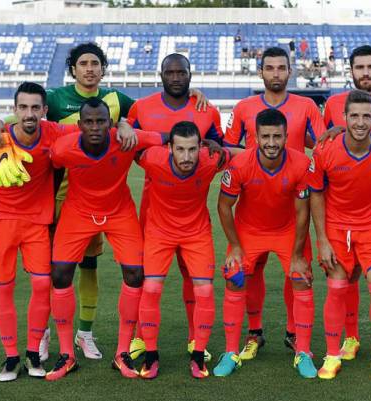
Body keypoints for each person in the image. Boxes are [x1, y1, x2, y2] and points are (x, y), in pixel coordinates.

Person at [0, 43, 208, 361]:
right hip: (57, 195)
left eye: (95, 63)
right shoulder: (55, 97)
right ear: (73, 69)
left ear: (103, 68)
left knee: (89, 266)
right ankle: (45, 334)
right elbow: (24, 116)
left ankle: (85, 334)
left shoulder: (116, 99)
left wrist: (133, 120)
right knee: (52, 271)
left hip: (103, 195)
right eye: (83, 63)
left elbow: (147, 109)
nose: (89, 68)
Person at [45, 98, 164, 381]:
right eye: (89, 122)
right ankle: (66, 354)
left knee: (136, 274)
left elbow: (166, 136)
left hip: (119, 211)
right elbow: (56, 166)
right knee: (60, 274)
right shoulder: (65, 147)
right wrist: (51, 208)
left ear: (111, 124)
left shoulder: (125, 140)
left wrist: (209, 142)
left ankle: (122, 352)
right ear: (80, 125)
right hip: (78, 211)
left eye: (101, 121)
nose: (95, 127)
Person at [0, 82, 78, 381]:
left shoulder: (54, 132)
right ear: (14, 110)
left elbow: (91, 126)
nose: (29, 113)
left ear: (44, 110)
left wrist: (121, 125)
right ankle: (10, 357)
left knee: (43, 285)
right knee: (4, 287)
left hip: (37, 224)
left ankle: (33, 354)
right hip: (0, 222)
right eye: (23, 107)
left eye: (35, 108)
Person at [224, 47, 325, 358]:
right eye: (270, 68)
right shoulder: (243, 108)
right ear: (261, 72)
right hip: (253, 208)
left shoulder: (307, 106)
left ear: (290, 71)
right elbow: (229, 147)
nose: (276, 73)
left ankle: (295, 333)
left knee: (296, 274)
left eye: (282, 67)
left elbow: (321, 145)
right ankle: (254, 333)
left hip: (293, 208)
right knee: (246, 274)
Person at [125, 53, 224, 363]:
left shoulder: (206, 110)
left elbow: (219, 148)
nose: (177, 77)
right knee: (146, 276)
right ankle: (141, 336)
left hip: (192, 209)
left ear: (191, 75)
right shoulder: (142, 107)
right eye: (171, 72)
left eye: (182, 72)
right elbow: (127, 140)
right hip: (154, 208)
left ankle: (196, 338)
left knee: (192, 275)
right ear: (161, 74)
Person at [309, 90, 371, 381]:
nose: (360, 122)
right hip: (337, 229)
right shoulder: (325, 150)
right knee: (337, 288)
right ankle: (332, 355)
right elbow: (315, 193)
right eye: (354, 115)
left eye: (366, 115)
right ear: (344, 117)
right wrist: (323, 239)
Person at [214, 108, 315, 378]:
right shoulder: (239, 165)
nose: (272, 142)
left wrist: (297, 253)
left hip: (288, 230)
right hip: (249, 231)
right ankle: (230, 351)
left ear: (287, 136)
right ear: (256, 137)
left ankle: (303, 352)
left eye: (277, 137)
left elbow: (304, 212)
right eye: (266, 136)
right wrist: (234, 245)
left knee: (301, 276)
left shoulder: (302, 164)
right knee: (234, 276)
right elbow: (224, 207)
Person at [136, 121, 232, 380]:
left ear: (200, 147)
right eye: (180, 149)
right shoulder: (153, 158)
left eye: (192, 150)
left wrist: (222, 146)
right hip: (159, 233)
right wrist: (139, 132)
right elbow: (129, 142)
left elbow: (245, 154)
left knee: (205, 290)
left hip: (196, 234)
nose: (187, 157)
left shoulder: (211, 159)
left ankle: (198, 356)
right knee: (152, 288)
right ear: (169, 148)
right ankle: (151, 355)